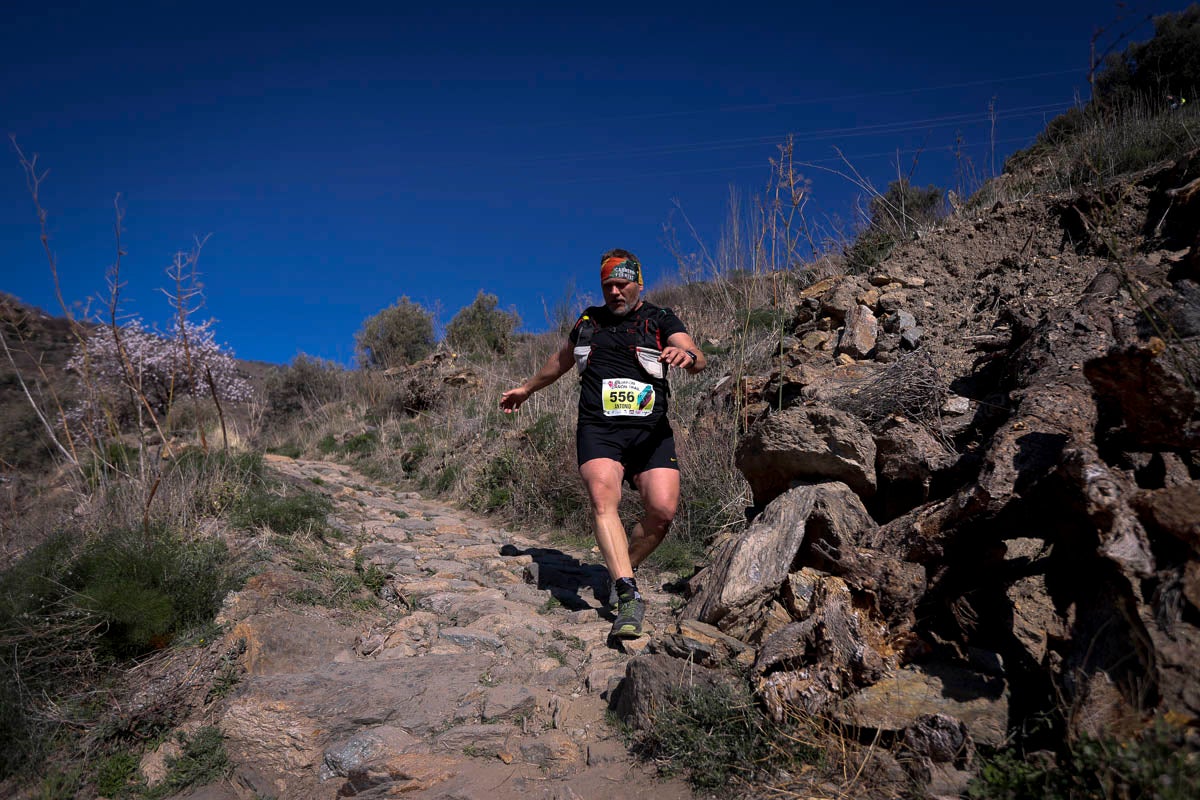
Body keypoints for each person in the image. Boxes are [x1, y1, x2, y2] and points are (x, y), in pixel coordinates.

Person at [499, 249, 706, 640]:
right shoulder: (589, 321)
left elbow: (697, 355)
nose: (615, 292)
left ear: (638, 284)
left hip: (651, 431)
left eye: (622, 284)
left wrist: (688, 355)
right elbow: (559, 361)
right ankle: (628, 595)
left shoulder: (660, 319)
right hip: (599, 429)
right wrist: (526, 389)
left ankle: (619, 569)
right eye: (608, 285)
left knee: (662, 510)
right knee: (601, 498)